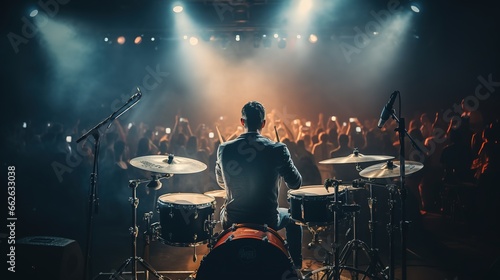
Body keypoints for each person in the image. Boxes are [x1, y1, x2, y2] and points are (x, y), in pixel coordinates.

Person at [215, 101, 303, 269]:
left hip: (234, 218)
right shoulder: (278, 149)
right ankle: (295, 267)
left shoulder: (224, 149)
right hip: (267, 219)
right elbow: (296, 183)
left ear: (242, 122)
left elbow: (221, 183)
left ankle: (226, 261)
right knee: (293, 218)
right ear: (264, 123)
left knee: (222, 211)